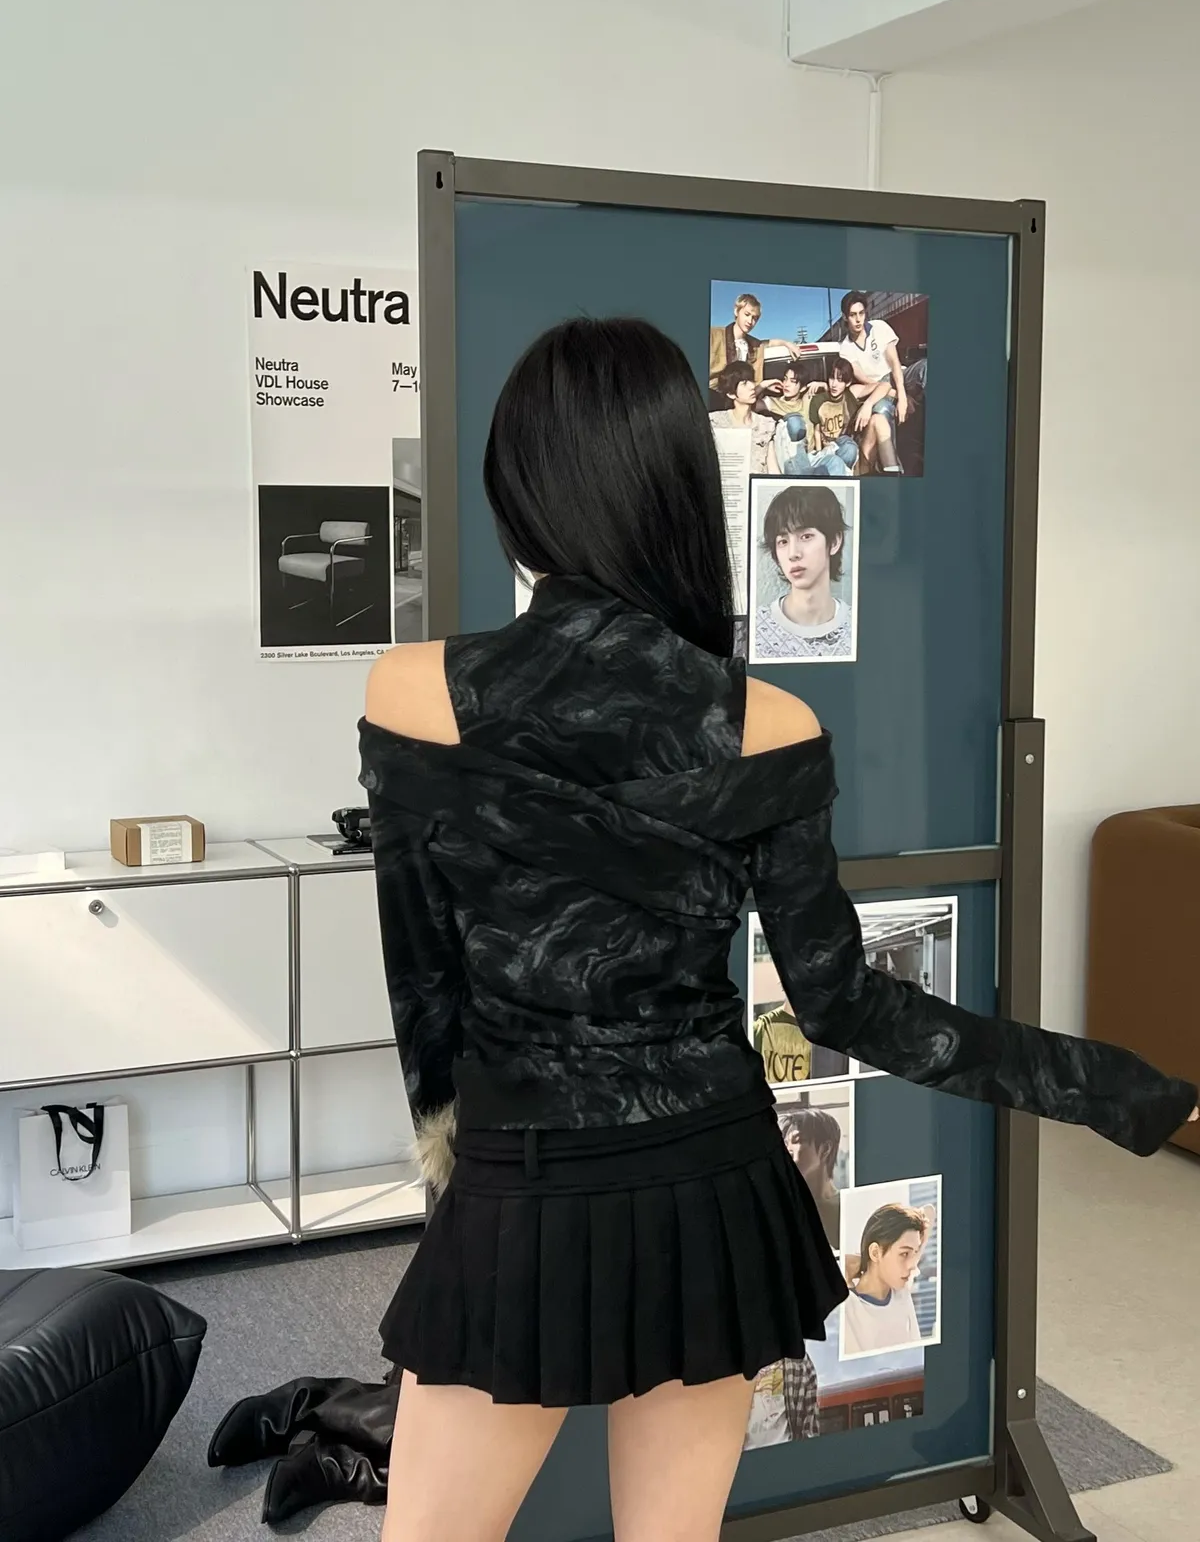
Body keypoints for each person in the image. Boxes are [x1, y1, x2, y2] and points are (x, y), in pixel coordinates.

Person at [277, 314, 1188, 1542]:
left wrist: (454, 1176)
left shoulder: (411, 689)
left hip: (523, 1184)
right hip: (708, 1185)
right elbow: (850, 1003)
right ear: (676, 489)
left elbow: (423, 986)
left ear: (519, 486)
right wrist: (1114, 1086)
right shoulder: (768, 722)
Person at [753, 483, 854, 660]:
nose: (793, 554)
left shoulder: (858, 626)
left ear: (834, 541)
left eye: (806, 536)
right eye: (783, 541)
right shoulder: (755, 630)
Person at [841, 1205, 930, 1359]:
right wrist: (850, 1264)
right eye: (904, 1254)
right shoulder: (848, 1306)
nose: (912, 1265)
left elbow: (929, 1211)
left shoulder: (901, 1292)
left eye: (915, 1254)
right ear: (875, 1253)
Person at [838, 290, 906, 474]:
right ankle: (891, 465)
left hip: (900, 375)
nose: (858, 319)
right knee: (880, 409)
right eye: (853, 315)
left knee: (924, 369)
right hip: (879, 389)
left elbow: (894, 362)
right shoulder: (846, 349)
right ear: (845, 317)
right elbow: (868, 381)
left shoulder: (879, 327)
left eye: (861, 313)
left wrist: (902, 395)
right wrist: (894, 394)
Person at [709, 291, 801, 402]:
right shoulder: (713, 335)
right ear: (736, 311)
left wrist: (787, 343)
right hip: (713, 399)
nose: (750, 321)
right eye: (747, 314)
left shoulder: (753, 345)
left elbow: (769, 343)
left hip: (741, 402)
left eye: (755, 318)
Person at [782, 1106, 843, 1251]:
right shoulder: (783, 1207)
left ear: (825, 1149)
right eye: (785, 1144)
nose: (788, 1150)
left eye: (797, 1140)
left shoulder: (847, 1206)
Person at [709, 360, 781, 474]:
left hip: (756, 484)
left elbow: (773, 468)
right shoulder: (716, 422)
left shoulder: (765, 425)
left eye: (751, 381)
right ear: (731, 393)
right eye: (744, 383)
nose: (752, 386)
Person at [806, 357, 864, 477]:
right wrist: (819, 451)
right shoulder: (818, 400)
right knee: (834, 462)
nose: (834, 384)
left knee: (850, 448)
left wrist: (868, 405)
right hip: (825, 451)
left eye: (840, 380)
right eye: (832, 378)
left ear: (848, 383)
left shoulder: (851, 395)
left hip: (842, 445)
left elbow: (882, 386)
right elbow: (817, 430)